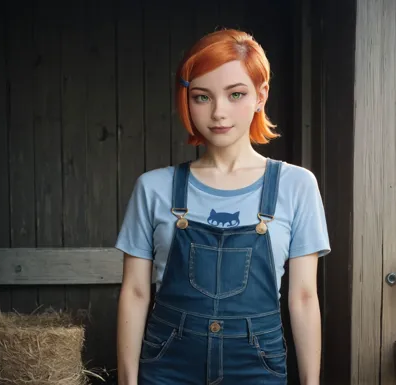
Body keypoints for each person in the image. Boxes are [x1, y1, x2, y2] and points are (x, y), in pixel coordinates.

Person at [115, 28, 331, 385]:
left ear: (261, 95)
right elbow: (136, 293)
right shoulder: (153, 187)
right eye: (202, 97)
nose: (218, 112)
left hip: (258, 365)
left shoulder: (297, 185)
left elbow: (305, 297)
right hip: (167, 364)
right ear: (187, 100)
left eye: (236, 94)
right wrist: (127, 381)